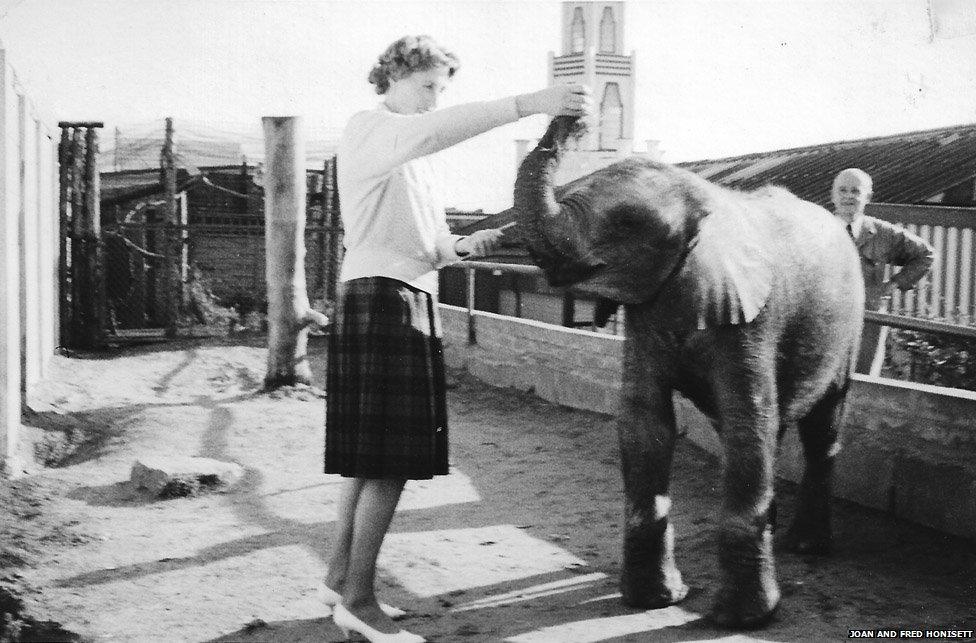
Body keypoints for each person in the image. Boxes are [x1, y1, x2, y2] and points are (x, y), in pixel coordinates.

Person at [321, 34, 592, 643]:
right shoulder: (370, 127)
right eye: (426, 88)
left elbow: (432, 244)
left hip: (406, 292)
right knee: (387, 464)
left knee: (370, 461)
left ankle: (340, 577)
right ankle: (359, 601)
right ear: (391, 76)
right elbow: (438, 130)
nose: (433, 101)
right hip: (381, 296)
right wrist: (530, 102)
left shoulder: (412, 154)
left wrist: (462, 247)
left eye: (441, 91)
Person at [831, 168, 935, 375]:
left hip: (868, 319)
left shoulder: (883, 234)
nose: (849, 196)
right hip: (826, 318)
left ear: (867, 196)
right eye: (842, 190)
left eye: (855, 191)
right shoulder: (818, 229)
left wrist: (891, 285)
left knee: (863, 381)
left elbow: (926, 255)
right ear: (833, 195)